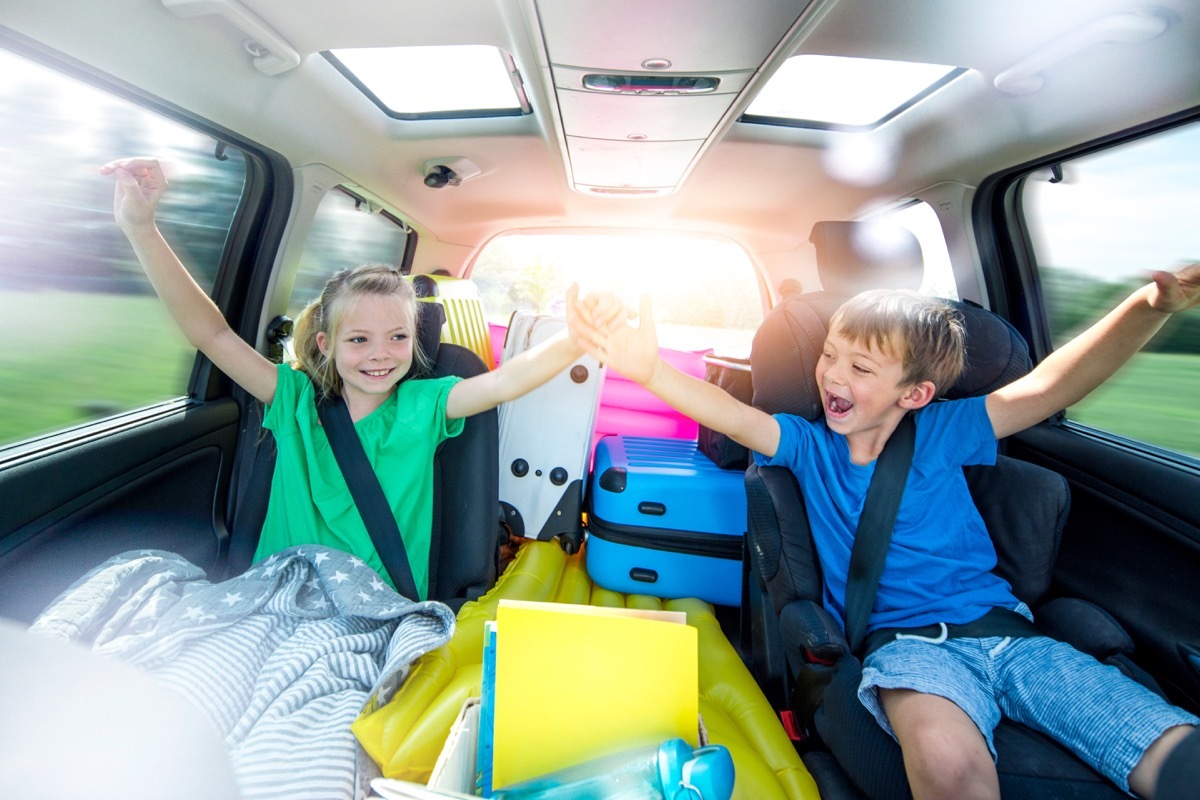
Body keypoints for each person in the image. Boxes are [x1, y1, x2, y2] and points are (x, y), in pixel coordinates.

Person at [589, 266, 1200, 799]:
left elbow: (1050, 386)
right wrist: (648, 372)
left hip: (1011, 636)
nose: (831, 375)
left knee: (1169, 750)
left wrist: (1148, 306)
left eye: (860, 366)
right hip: (908, 649)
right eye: (829, 354)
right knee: (948, 764)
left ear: (916, 394)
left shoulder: (947, 429)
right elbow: (733, 416)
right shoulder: (804, 445)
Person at [101, 157, 615, 601]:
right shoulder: (294, 400)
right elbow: (212, 334)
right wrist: (141, 228)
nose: (380, 356)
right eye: (358, 339)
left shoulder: (425, 405)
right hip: (273, 594)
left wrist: (574, 340)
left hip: (375, 607)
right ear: (325, 345)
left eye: (397, 338)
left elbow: (505, 382)